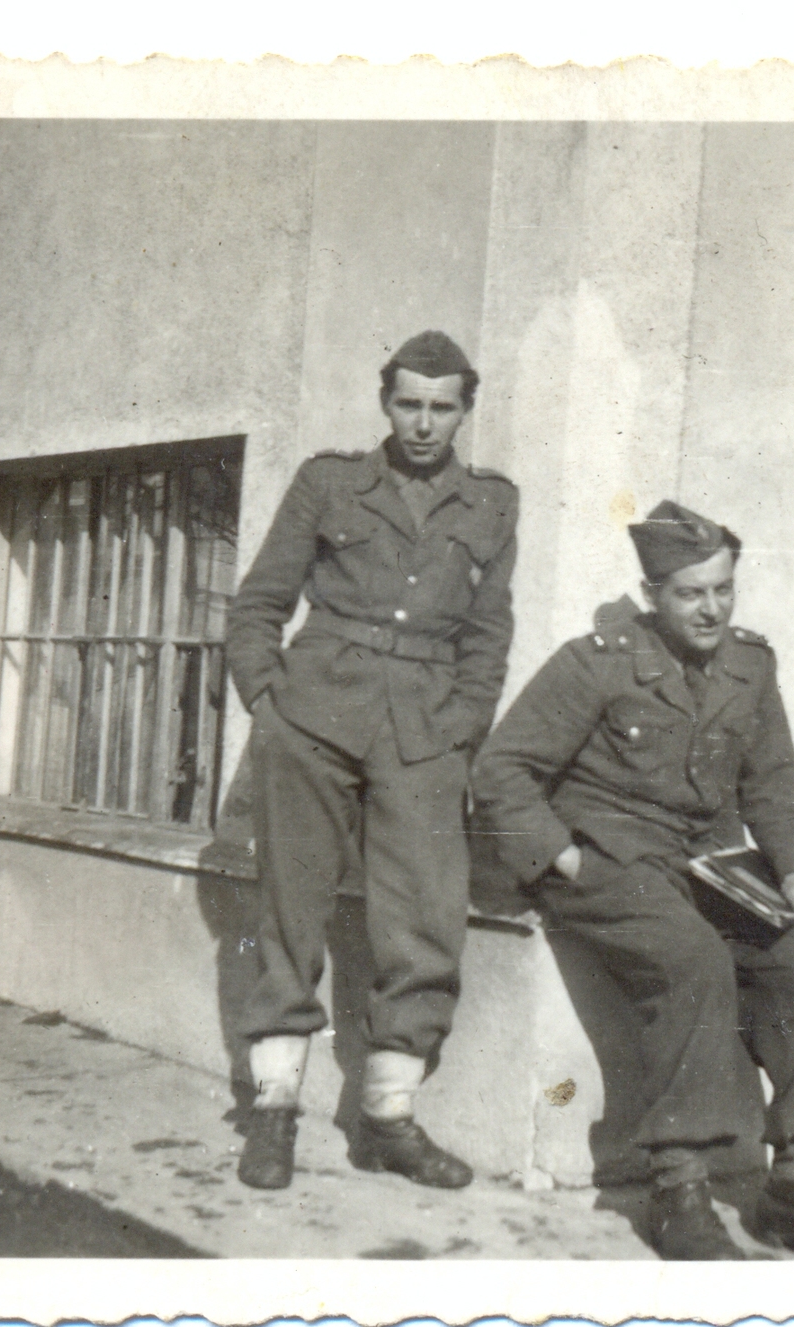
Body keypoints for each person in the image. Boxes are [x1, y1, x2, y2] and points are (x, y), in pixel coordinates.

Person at [470, 500, 794, 1260]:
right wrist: (563, 857)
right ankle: (679, 1192)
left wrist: (793, 870)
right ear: (652, 593)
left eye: (724, 590)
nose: (711, 609)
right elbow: (502, 770)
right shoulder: (596, 662)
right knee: (692, 960)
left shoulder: (750, 665)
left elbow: (771, 780)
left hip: (707, 866)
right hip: (611, 861)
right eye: (691, 594)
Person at [223, 331, 517, 1192]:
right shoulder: (329, 482)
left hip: (425, 729)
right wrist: (269, 703)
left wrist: (464, 726)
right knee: (290, 908)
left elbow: (488, 631)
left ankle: (389, 1116)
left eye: (442, 408)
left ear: (464, 411)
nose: (424, 424)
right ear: (385, 403)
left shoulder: (493, 503)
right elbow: (259, 603)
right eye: (408, 404)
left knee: (426, 918)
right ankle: (273, 1109)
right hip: (315, 714)